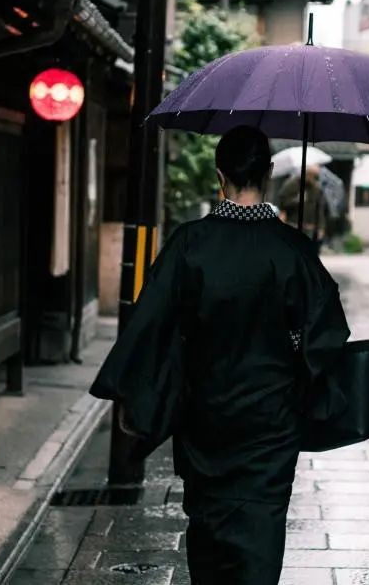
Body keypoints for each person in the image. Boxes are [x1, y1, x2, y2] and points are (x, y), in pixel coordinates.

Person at [90, 125, 351, 585]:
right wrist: (292, 343)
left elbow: (150, 324)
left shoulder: (190, 243)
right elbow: (325, 335)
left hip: (206, 417)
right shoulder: (292, 250)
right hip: (271, 425)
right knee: (262, 532)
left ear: (219, 174)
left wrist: (139, 398)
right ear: (269, 173)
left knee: (207, 531)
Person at [277, 164, 330, 251]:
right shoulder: (291, 184)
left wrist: (321, 227)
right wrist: (296, 200)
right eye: (311, 175)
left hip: (310, 226)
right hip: (293, 223)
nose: (313, 178)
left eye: (315, 176)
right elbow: (282, 203)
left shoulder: (316, 189)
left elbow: (319, 209)